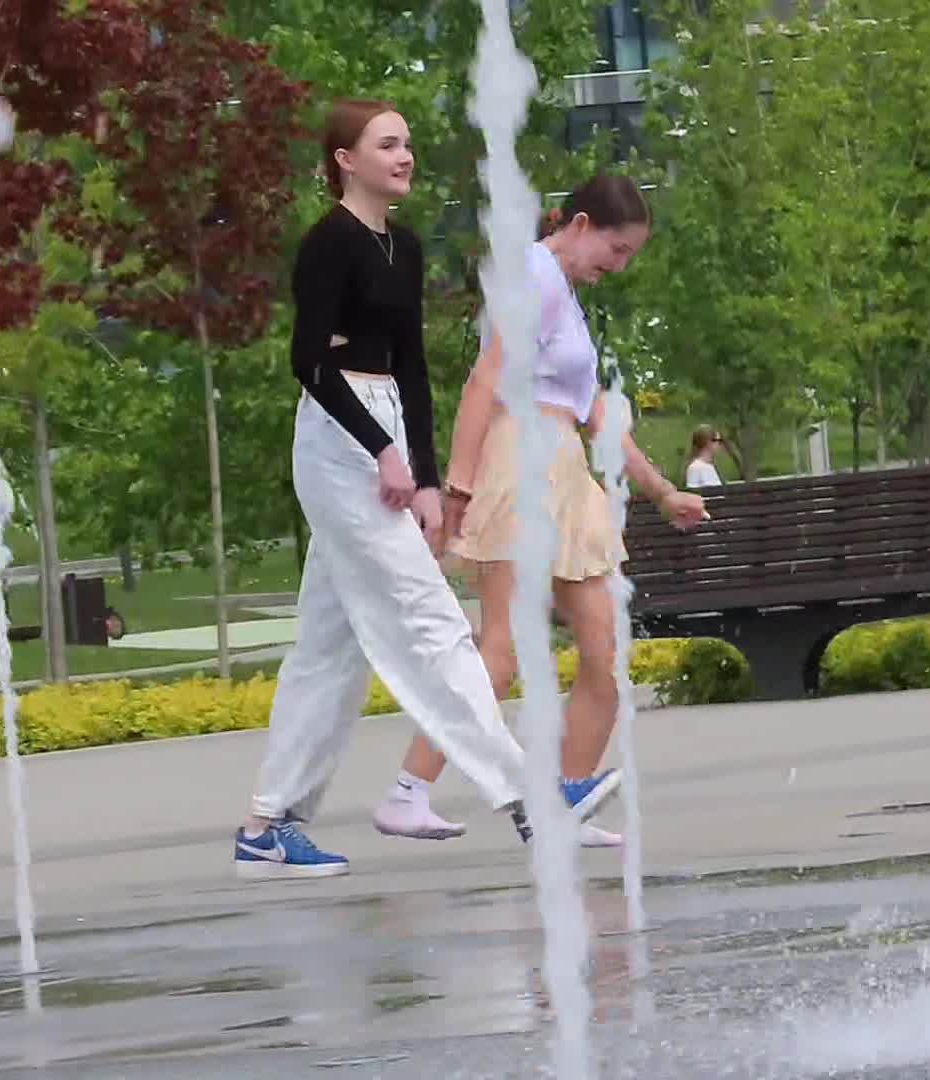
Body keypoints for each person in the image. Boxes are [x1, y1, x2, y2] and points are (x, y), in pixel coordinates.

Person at [235, 99, 543, 881]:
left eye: (406, 143)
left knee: (328, 651)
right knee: (430, 615)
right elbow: (309, 360)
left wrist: (427, 475)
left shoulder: (401, 246)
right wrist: (379, 451)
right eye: (387, 144)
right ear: (345, 159)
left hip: (387, 431)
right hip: (337, 439)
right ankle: (527, 793)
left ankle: (267, 825)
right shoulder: (328, 243)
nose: (404, 156)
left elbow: (410, 364)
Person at [371, 174, 709, 847]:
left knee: (603, 653)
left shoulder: (562, 294)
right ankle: (408, 791)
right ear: (580, 225)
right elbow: (485, 380)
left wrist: (660, 490)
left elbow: (595, 413)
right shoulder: (534, 276)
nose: (619, 267)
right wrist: (458, 487)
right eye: (616, 249)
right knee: (502, 646)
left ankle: (558, 808)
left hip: (564, 472)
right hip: (520, 461)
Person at [684, 425, 725, 489]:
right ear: (707, 442)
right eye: (717, 440)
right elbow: (692, 492)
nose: (719, 444)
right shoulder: (695, 467)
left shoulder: (712, 466)